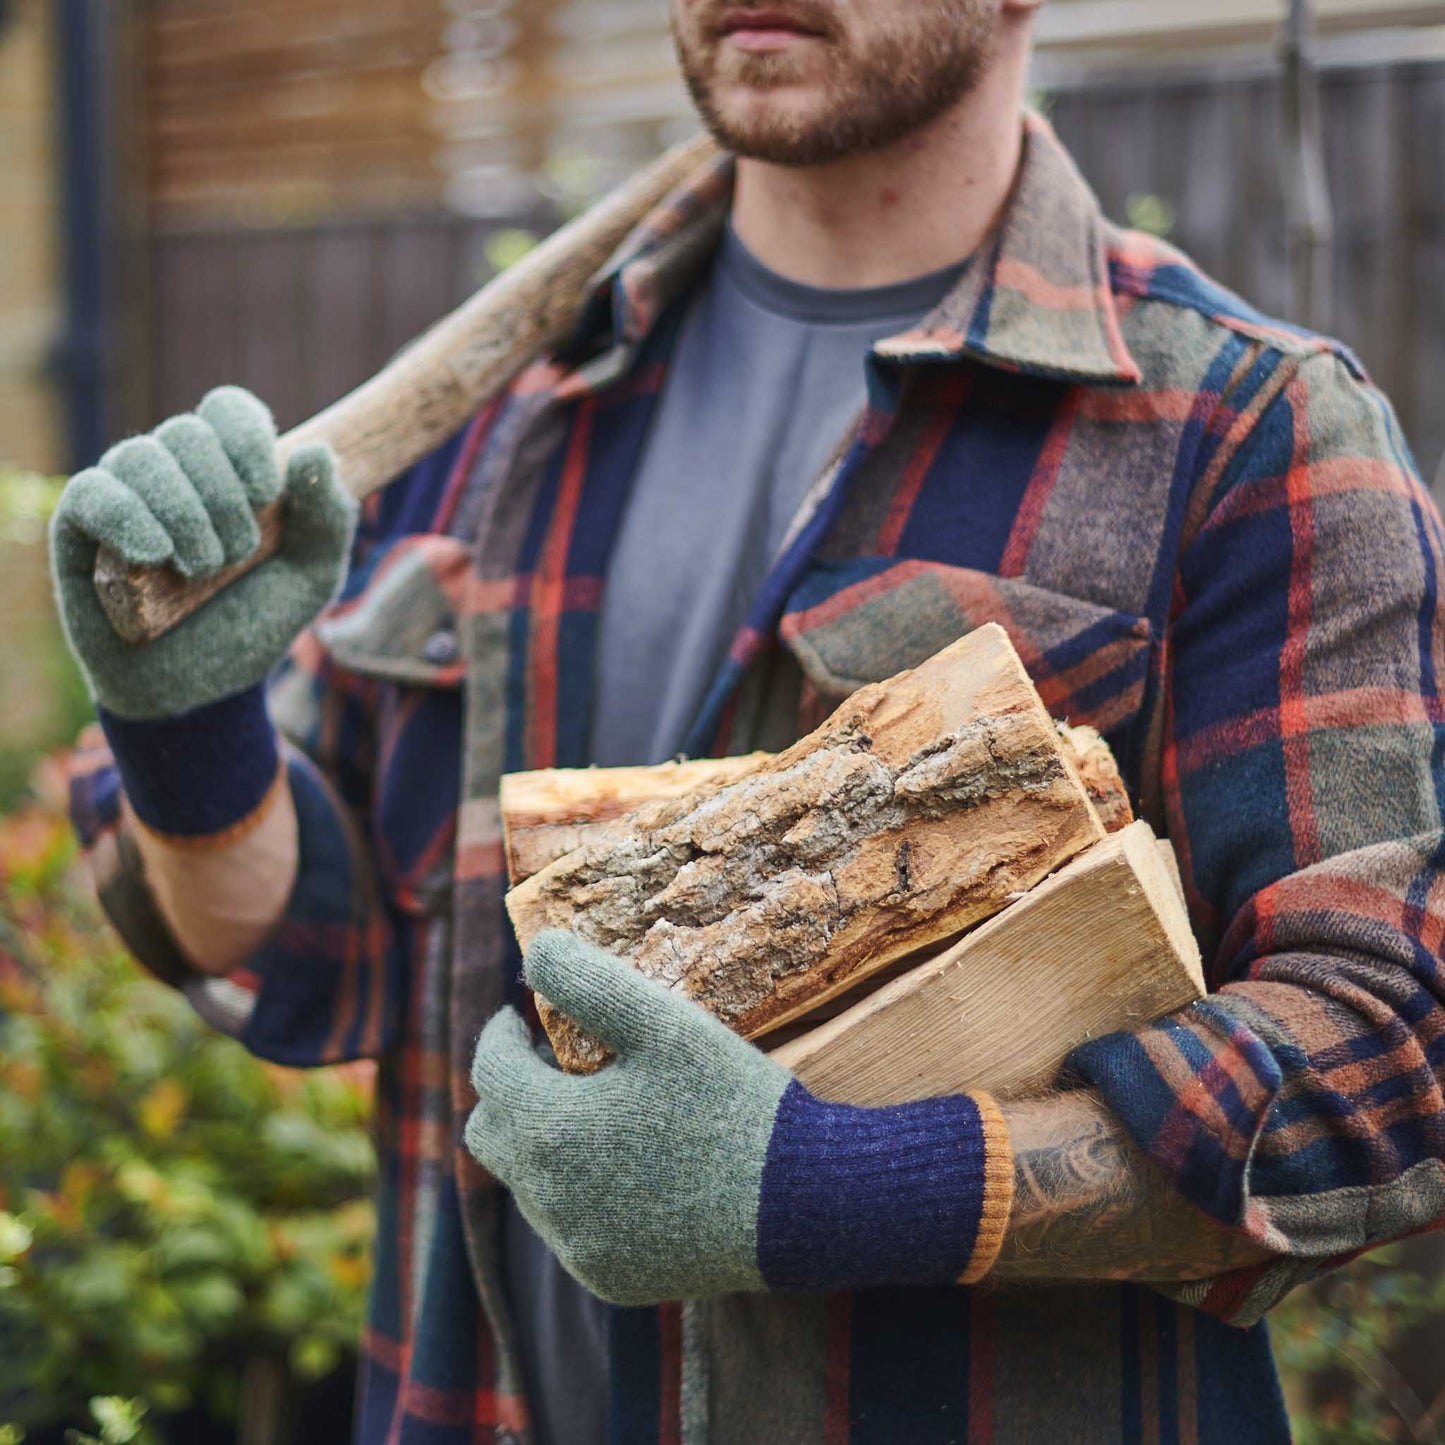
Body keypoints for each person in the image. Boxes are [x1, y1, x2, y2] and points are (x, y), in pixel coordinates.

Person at [51, 0, 1445, 1440]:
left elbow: (1384, 1062)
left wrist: (828, 1189)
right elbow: (302, 944)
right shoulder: (503, 409)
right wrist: (188, 729)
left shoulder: (1246, 433)